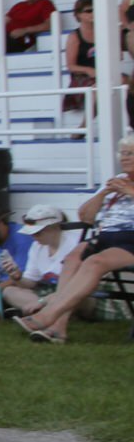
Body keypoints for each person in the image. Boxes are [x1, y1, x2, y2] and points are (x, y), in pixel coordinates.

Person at [17, 136, 134, 343]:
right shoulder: (117, 180)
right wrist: (104, 193)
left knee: (95, 262)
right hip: (105, 236)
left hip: (130, 240)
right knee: (72, 259)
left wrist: (130, 192)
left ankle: (48, 315)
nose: (125, 158)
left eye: (130, 153)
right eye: (123, 153)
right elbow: (86, 217)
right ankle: (58, 329)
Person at [0, 205, 86, 337]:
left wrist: (41, 301)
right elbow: (30, 283)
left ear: (54, 227)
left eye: (38, 232)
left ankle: (42, 312)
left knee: (70, 296)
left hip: (75, 291)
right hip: (49, 292)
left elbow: (77, 286)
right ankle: (48, 312)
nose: (34, 237)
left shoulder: (75, 242)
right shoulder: (36, 247)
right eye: (32, 233)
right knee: (9, 291)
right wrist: (17, 276)